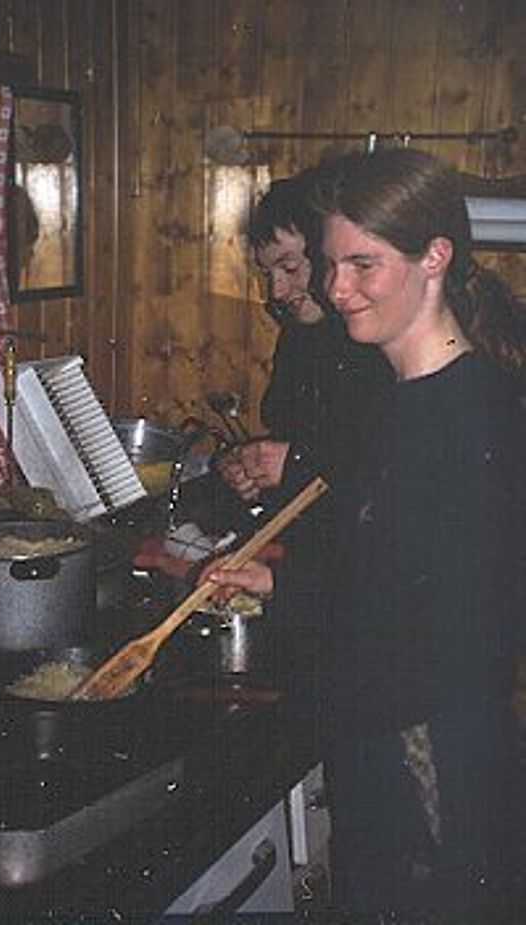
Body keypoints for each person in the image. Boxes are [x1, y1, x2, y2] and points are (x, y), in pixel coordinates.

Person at [202, 148, 526, 923]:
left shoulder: (471, 410)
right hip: (381, 736)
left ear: (434, 258)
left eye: (362, 265)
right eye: (328, 264)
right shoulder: (395, 400)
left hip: (430, 753)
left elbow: (458, 629)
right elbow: (387, 575)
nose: (334, 288)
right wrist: (274, 583)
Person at [216, 168, 390, 506]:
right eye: (268, 274)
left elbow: (393, 470)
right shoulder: (300, 336)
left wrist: (296, 464)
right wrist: (247, 466)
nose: (277, 290)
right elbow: (295, 441)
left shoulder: (379, 343)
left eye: (290, 268)